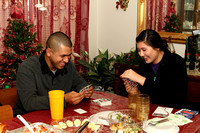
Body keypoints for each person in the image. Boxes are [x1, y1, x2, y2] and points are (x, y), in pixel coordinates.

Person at [14, 31, 94, 115]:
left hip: (59, 115)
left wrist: (85, 89)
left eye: (69, 56)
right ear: (49, 52)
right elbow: (29, 103)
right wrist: (63, 99)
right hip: (29, 121)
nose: (66, 60)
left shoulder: (68, 65)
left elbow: (79, 82)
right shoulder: (27, 68)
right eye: (63, 56)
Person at [121, 29, 188, 109]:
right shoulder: (144, 64)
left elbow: (168, 95)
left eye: (144, 50)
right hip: (152, 110)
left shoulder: (176, 62)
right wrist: (136, 92)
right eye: (139, 50)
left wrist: (139, 78)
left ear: (157, 47)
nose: (141, 54)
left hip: (173, 113)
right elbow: (148, 94)